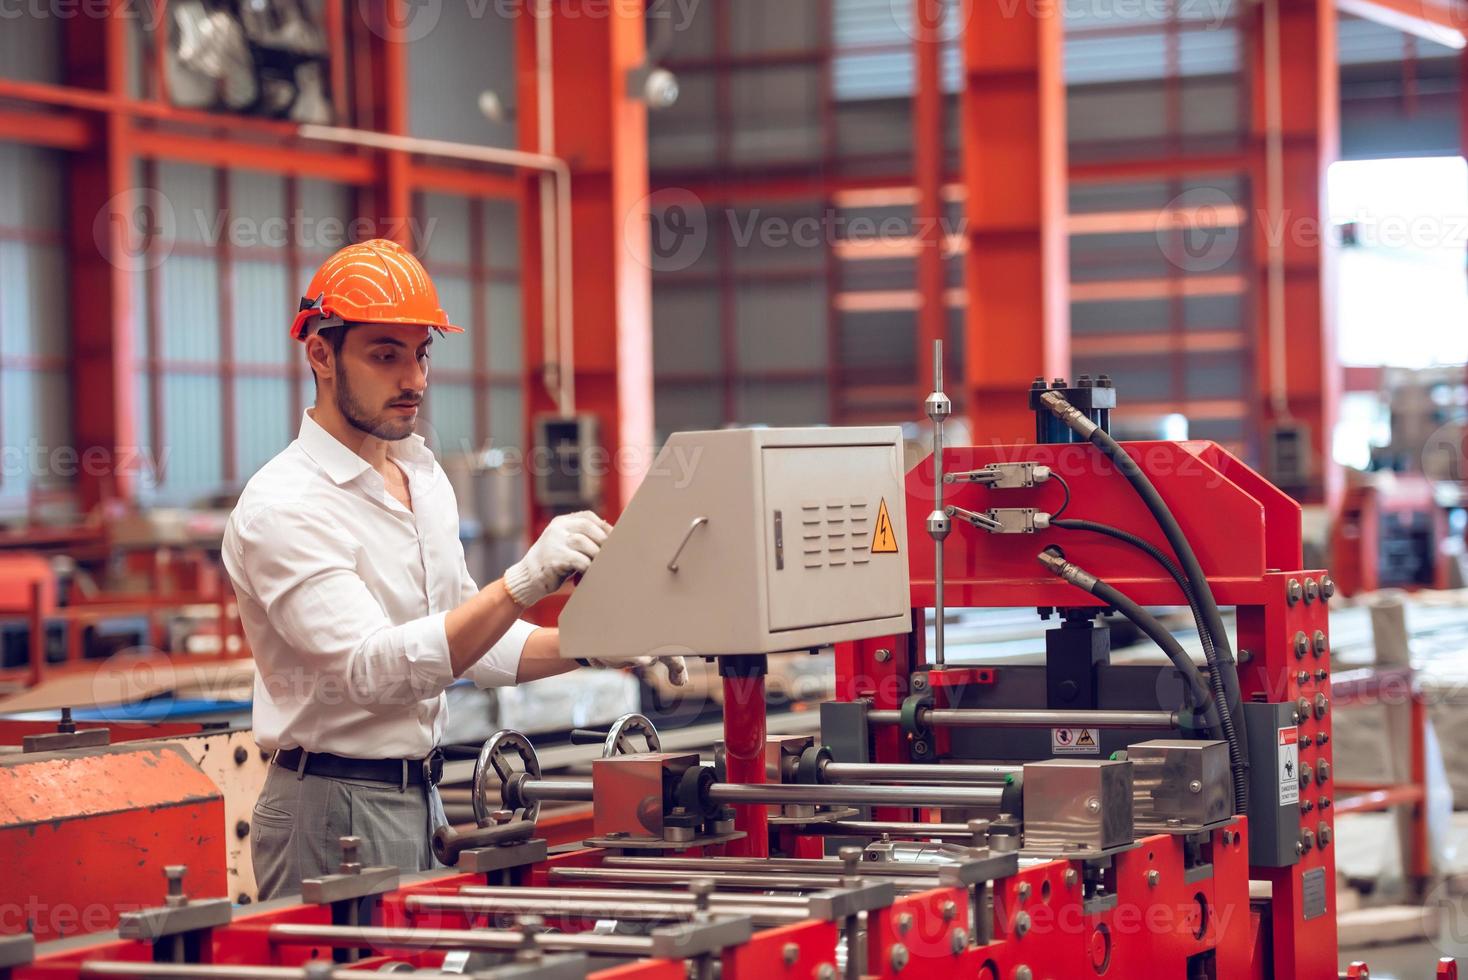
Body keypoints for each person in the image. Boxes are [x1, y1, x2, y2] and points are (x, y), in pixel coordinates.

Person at [222, 238, 684, 899]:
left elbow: (470, 644)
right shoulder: (286, 505)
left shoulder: (420, 473)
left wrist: (602, 645)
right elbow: (372, 672)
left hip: (424, 797)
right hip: (330, 809)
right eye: (385, 354)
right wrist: (521, 583)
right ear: (320, 354)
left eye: (422, 353)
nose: (414, 379)